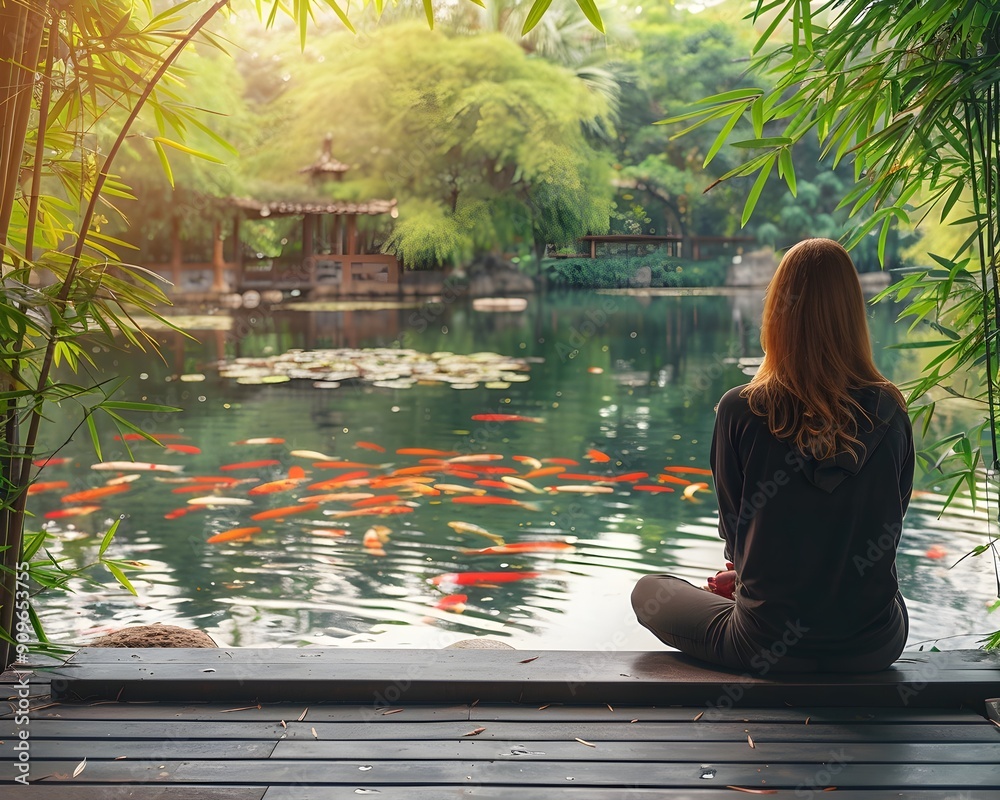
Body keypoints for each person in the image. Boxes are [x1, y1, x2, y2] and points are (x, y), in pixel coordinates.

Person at [631, 238, 913, 673]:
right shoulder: (891, 408)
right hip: (874, 643)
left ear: (777, 311)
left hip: (765, 646)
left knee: (650, 591)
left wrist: (746, 580)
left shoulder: (740, 409)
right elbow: (887, 527)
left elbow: (737, 534)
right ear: (853, 314)